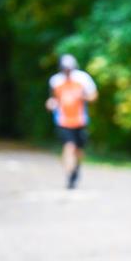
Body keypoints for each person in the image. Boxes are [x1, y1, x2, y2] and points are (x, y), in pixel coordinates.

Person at [46, 54, 97, 189]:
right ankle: (69, 176)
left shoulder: (82, 78)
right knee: (69, 147)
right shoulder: (55, 81)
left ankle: (75, 169)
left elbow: (93, 96)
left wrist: (83, 96)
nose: (67, 72)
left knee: (79, 150)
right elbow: (53, 99)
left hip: (80, 120)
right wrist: (51, 104)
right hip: (63, 121)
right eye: (65, 69)